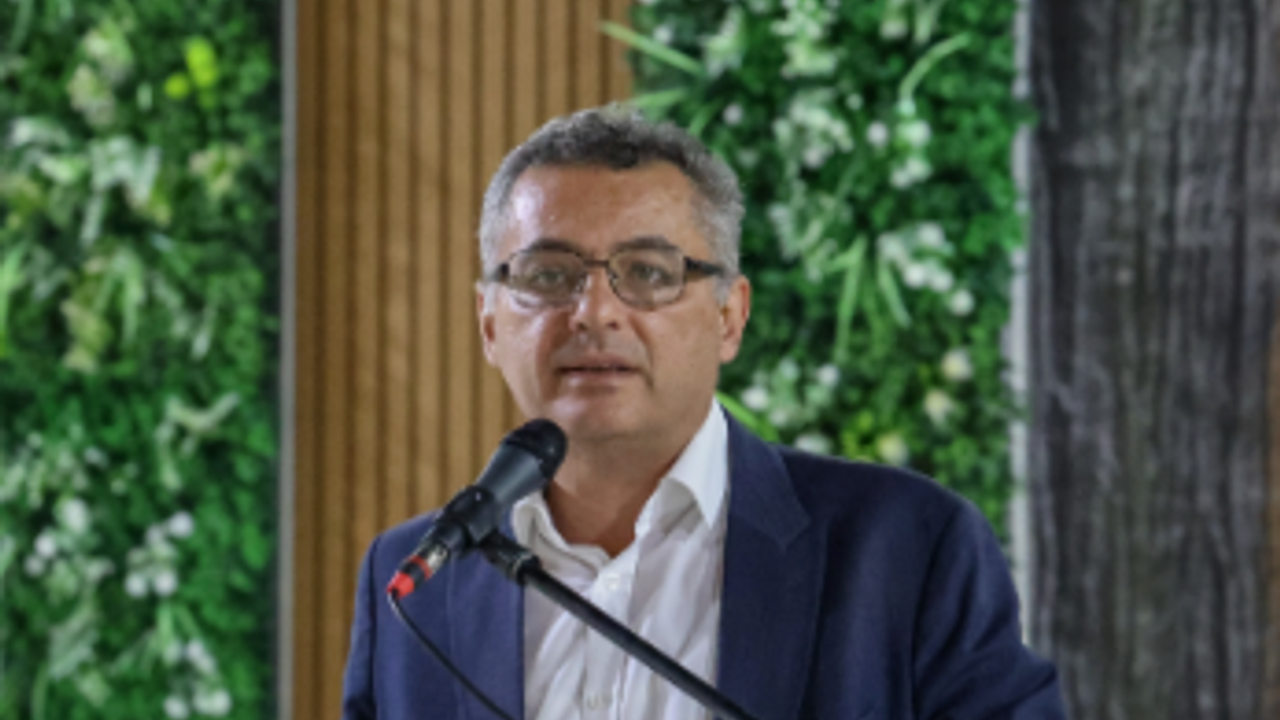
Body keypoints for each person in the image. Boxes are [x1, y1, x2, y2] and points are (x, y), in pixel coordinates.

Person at [342, 105, 1066, 720]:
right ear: (489, 323)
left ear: (729, 316)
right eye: (549, 275)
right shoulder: (414, 585)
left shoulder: (905, 548)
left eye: (648, 273)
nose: (593, 313)